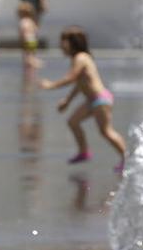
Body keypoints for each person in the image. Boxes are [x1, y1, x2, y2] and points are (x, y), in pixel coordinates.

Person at [39, 27, 126, 170]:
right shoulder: (78, 58)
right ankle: (84, 151)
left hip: (100, 100)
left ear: (72, 43)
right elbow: (79, 84)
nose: (60, 45)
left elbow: (71, 78)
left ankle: (127, 158)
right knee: (73, 122)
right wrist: (67, 100)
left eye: (63, 42)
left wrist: (51, 85)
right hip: (92, 101)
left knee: (106, 131)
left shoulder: (81, 58)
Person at [18, 0, 42, 71]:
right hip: (33, 40)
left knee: (27, 56)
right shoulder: (31, 21)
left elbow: (23, 32)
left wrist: (22, 40)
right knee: (31, 54)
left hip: (27, 40)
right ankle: (33, 64)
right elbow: (36, 30)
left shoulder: (23, 21)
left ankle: (31, 67)